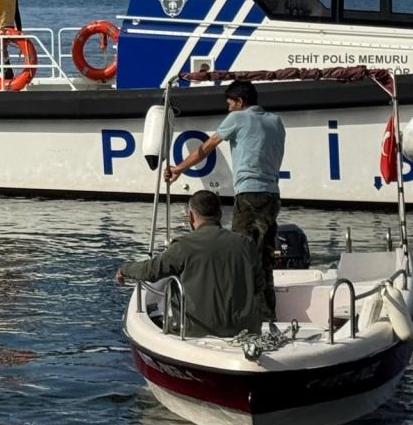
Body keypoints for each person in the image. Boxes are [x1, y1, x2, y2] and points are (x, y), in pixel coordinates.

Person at [164, 80, 286, 320]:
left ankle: (241, 315)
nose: (228, 109)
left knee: (240, 255)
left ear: (240, 102)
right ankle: (267, 313)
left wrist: (178, 168)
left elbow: (206, 148)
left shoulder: (238, 118)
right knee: (264, 258)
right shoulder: (276, 122)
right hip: (272, 196)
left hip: (249, 196)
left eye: (230, 104)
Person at [115, 190, 264, 337]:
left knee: (157, 320)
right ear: (219, 214)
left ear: (190, 216)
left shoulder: (184, 245)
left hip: (196, 330)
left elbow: (150, 271)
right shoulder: (246, 243)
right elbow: (259, 285)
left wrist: (124, 269)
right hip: (244, 330)